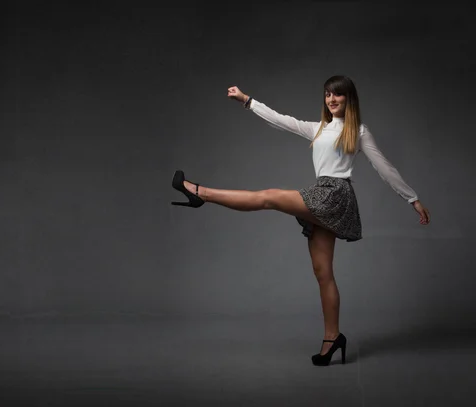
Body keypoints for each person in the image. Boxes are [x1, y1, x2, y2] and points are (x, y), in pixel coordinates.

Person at [170, 75, 431, 366]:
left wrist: (412, 199)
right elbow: (281, 120)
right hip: (321, 192)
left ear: (349, 99)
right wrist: (247, 101)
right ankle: (333, 338)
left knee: (268, 196)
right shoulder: (318, 129)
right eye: (328, 95)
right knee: (323, 274)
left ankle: (200, 192)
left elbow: (383, 166)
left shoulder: (358, 130)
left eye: (338, 95)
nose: (332, 100)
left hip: (336, 194)